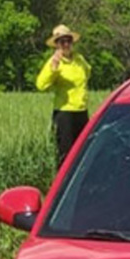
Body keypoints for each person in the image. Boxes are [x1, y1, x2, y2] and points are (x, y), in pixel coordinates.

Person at [36, 24, 91, 166]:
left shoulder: (79, 59)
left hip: (81, 111)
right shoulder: (54, 62)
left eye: (68, 40)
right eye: (62, 42)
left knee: (83, 153)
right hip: (65, 113)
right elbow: (41, 85)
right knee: (65, 156)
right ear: (56, 45)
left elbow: (88, 73)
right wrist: (53, 69)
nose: (66, 44)